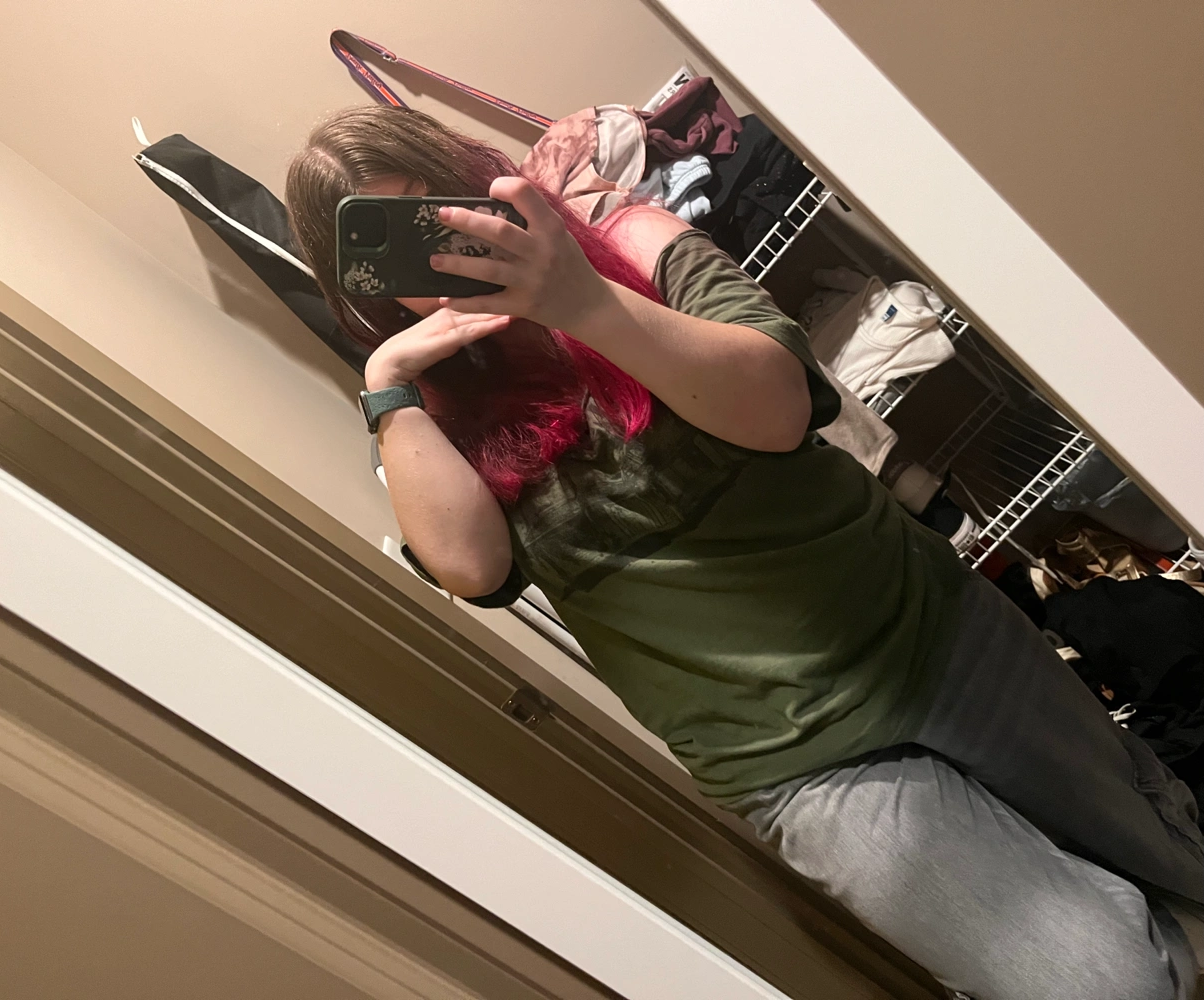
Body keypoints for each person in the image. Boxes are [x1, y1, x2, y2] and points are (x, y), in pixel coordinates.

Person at [287, 105, 1204, 999]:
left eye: (432, 215)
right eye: (387, 248)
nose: (436, 260)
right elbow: (471, 569)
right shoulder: (423, 410)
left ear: (472, 184)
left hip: (929, 634)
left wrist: (580, 302)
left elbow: (776, 412)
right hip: (786, 758)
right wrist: (386, 383)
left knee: (1174, 857)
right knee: (1104, 982)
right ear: (358, 279)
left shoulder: (634, 247)